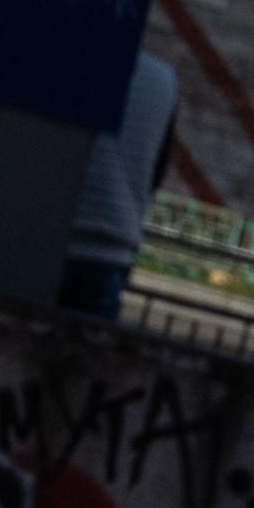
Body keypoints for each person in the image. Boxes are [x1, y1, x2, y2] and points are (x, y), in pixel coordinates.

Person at [58, 52, 178, 321]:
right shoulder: (163, 78)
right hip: (112, 247)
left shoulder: (69, 54)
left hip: (48, 233)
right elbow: (158, 168)